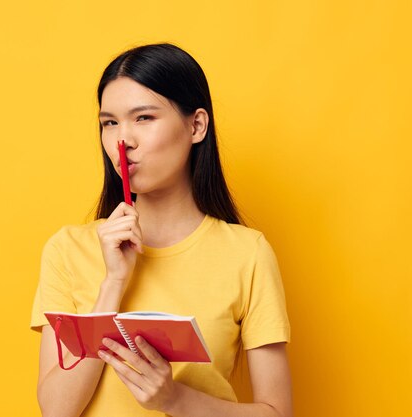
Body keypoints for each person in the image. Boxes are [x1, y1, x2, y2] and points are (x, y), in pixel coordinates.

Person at [30, 43, 292, 417]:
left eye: (144, 118)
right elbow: (56, 410)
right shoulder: (68, 249)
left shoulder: (247, 254)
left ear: (196, 125)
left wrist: (174, 400)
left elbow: (278, 413)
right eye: (109, 122)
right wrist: (113, 284)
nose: (123, 140)